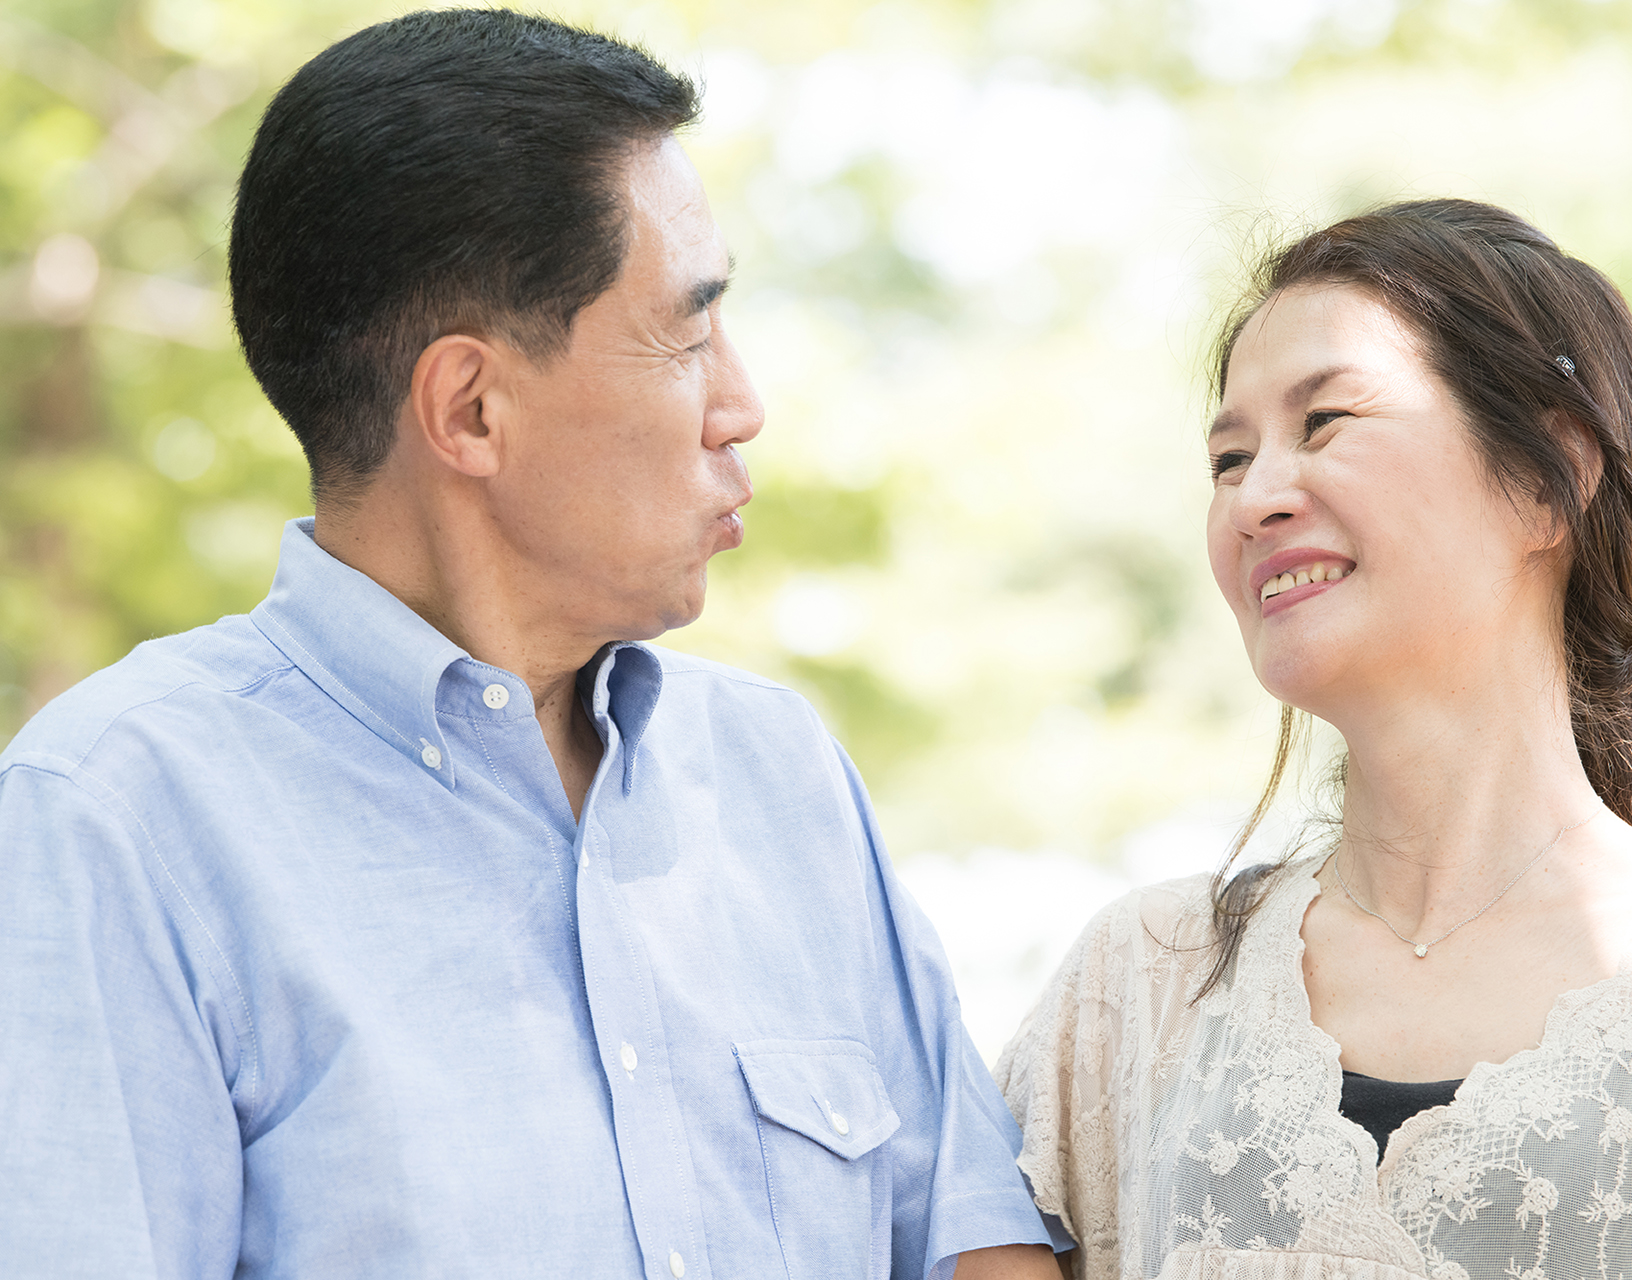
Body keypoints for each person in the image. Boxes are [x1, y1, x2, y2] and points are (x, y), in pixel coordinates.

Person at [0, 11, 1068, 1278]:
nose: (743, 405)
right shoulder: (114, 819)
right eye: (689, 332)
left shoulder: (780, 772)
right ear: (471, 409)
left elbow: (975, 1245)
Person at [995, 199, 1632, 1279]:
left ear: (1550, 478)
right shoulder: (1142, 978)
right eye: (1229, 459)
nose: (1255, 498)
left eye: (1325, 420)